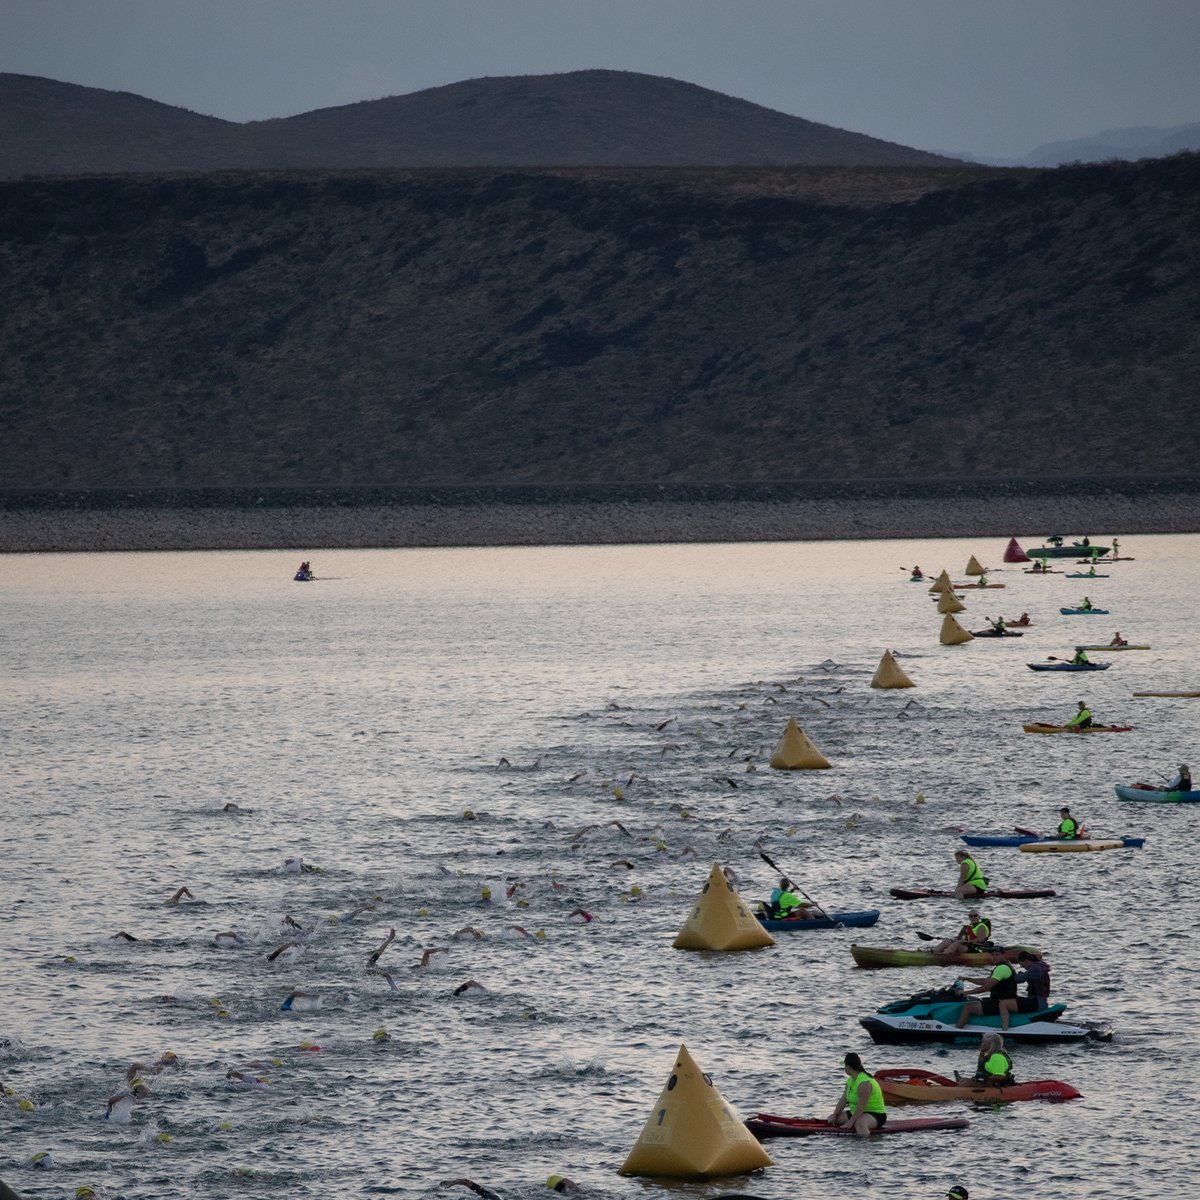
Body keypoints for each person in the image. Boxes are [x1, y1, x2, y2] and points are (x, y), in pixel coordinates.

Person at [955, 946, 1020, 1030]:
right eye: (993, 955)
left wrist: (965, 993)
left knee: (968, 1006)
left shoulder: (1002, 968)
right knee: (974, 1000)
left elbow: (986, 987)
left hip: (1000, 1002)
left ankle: (957, 1030)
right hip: (999, 1000)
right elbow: (986, 981)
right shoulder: (1003, 967)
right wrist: (967, 979)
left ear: (1003, 955)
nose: (994, 957)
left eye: (997, 954)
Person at [828, 1051, 886, 1136]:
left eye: (844, 1066)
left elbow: (861, 1107)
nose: (844, 1068)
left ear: (848, 1067)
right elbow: (843, 1099)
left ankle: (863, 1145)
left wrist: (850, 1122)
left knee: (859, 1124)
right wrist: (834, 1115)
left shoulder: (864, 1083)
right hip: (857, 1112)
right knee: (835, 1119)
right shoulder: (851, 1080)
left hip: (875, 1114)